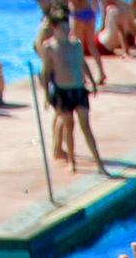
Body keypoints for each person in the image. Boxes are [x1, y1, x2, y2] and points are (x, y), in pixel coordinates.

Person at [38, 14, 111, 176]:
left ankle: (99, 163)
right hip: (62, 92)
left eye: (67, 27)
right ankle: (72, 161)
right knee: (69, 126)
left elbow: (82, 63)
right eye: (62, 28)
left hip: (78, 89)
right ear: (54, 29)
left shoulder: (76, 44)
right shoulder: (49, 47)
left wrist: (92, 82)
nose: (66, 31)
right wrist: (45, 95)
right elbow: (46, 71)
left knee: (86, 126)